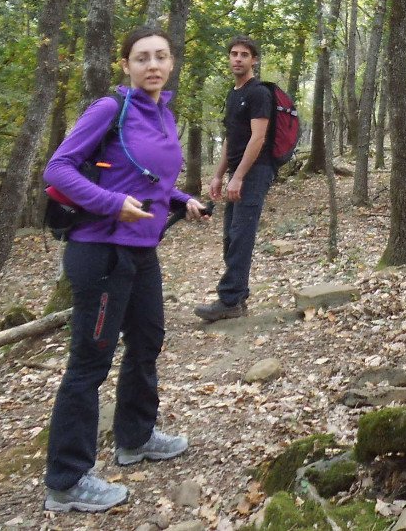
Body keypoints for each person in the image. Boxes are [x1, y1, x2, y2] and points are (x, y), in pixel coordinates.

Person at [42, 26, 208, 515]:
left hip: (141, 251)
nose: (152, 65)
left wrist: (183, 199)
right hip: (101, 252)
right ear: (126, 66)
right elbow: (59, 169)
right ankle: (66, 480)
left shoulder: (162, 113)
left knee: (147, 340)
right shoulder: (110, 109)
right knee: (89, 363)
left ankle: (135, 437)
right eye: (141, 58)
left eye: (160, 56)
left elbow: (145, 179)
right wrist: (113, 204)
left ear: (172, 63)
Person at [195, 34, 276, 323]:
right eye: (234, 54)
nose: (238, 59)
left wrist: (239, 177)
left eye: (244, 54)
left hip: (256, 172)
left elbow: (258, 138)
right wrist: (219, 175)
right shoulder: (234, 94)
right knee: (231, 234)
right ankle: (238, 297)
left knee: (241, 235)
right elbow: (232, 139)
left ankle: (229, 300)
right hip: (237, 173)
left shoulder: (258, 94)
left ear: (254, 60)